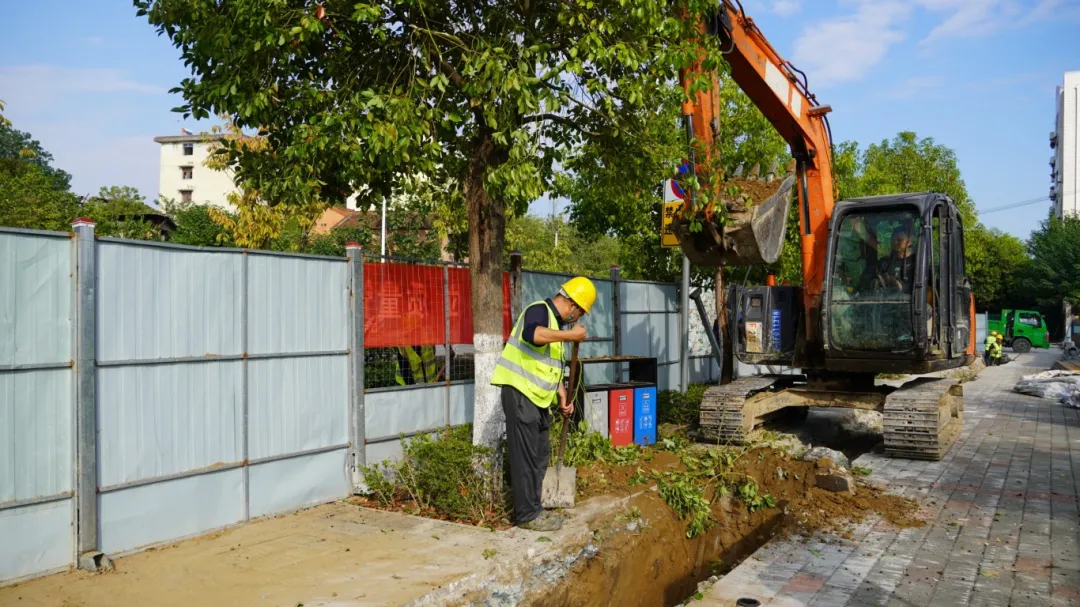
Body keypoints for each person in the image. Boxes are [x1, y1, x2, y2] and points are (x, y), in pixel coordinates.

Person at [491, 277, 594, 531]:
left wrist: (561, 395)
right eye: (580, 311)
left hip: (539, 400)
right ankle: (526, 516)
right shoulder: (538, 310)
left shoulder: (556, 329)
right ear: (574, 305)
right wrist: (571, 335)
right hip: (520, 394)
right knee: (525, 458)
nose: (576, 317)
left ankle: (535, 509)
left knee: (539, 456)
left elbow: (549, 368)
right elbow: (532, 334)